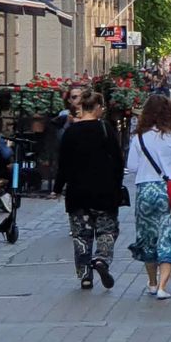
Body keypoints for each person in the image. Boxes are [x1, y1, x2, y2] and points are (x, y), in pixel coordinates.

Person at [53, 91, 122, 291]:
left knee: (81, 235)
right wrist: (116, 186)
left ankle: (85, 276)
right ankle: (101, 258)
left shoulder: (71, 132)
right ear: (98, 107)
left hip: (78, 192)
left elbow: (63, 164)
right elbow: (118, 161)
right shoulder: (105, 129)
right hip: (104, 191)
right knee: (107, 229)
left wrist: (57, 188)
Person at [125, 96, 171, 300]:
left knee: (148, 238)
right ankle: (163, 286)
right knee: (169, 237)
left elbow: (132, 167)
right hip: (170, 191)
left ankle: (152, 282)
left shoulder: (139, 137)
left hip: (145, 189)